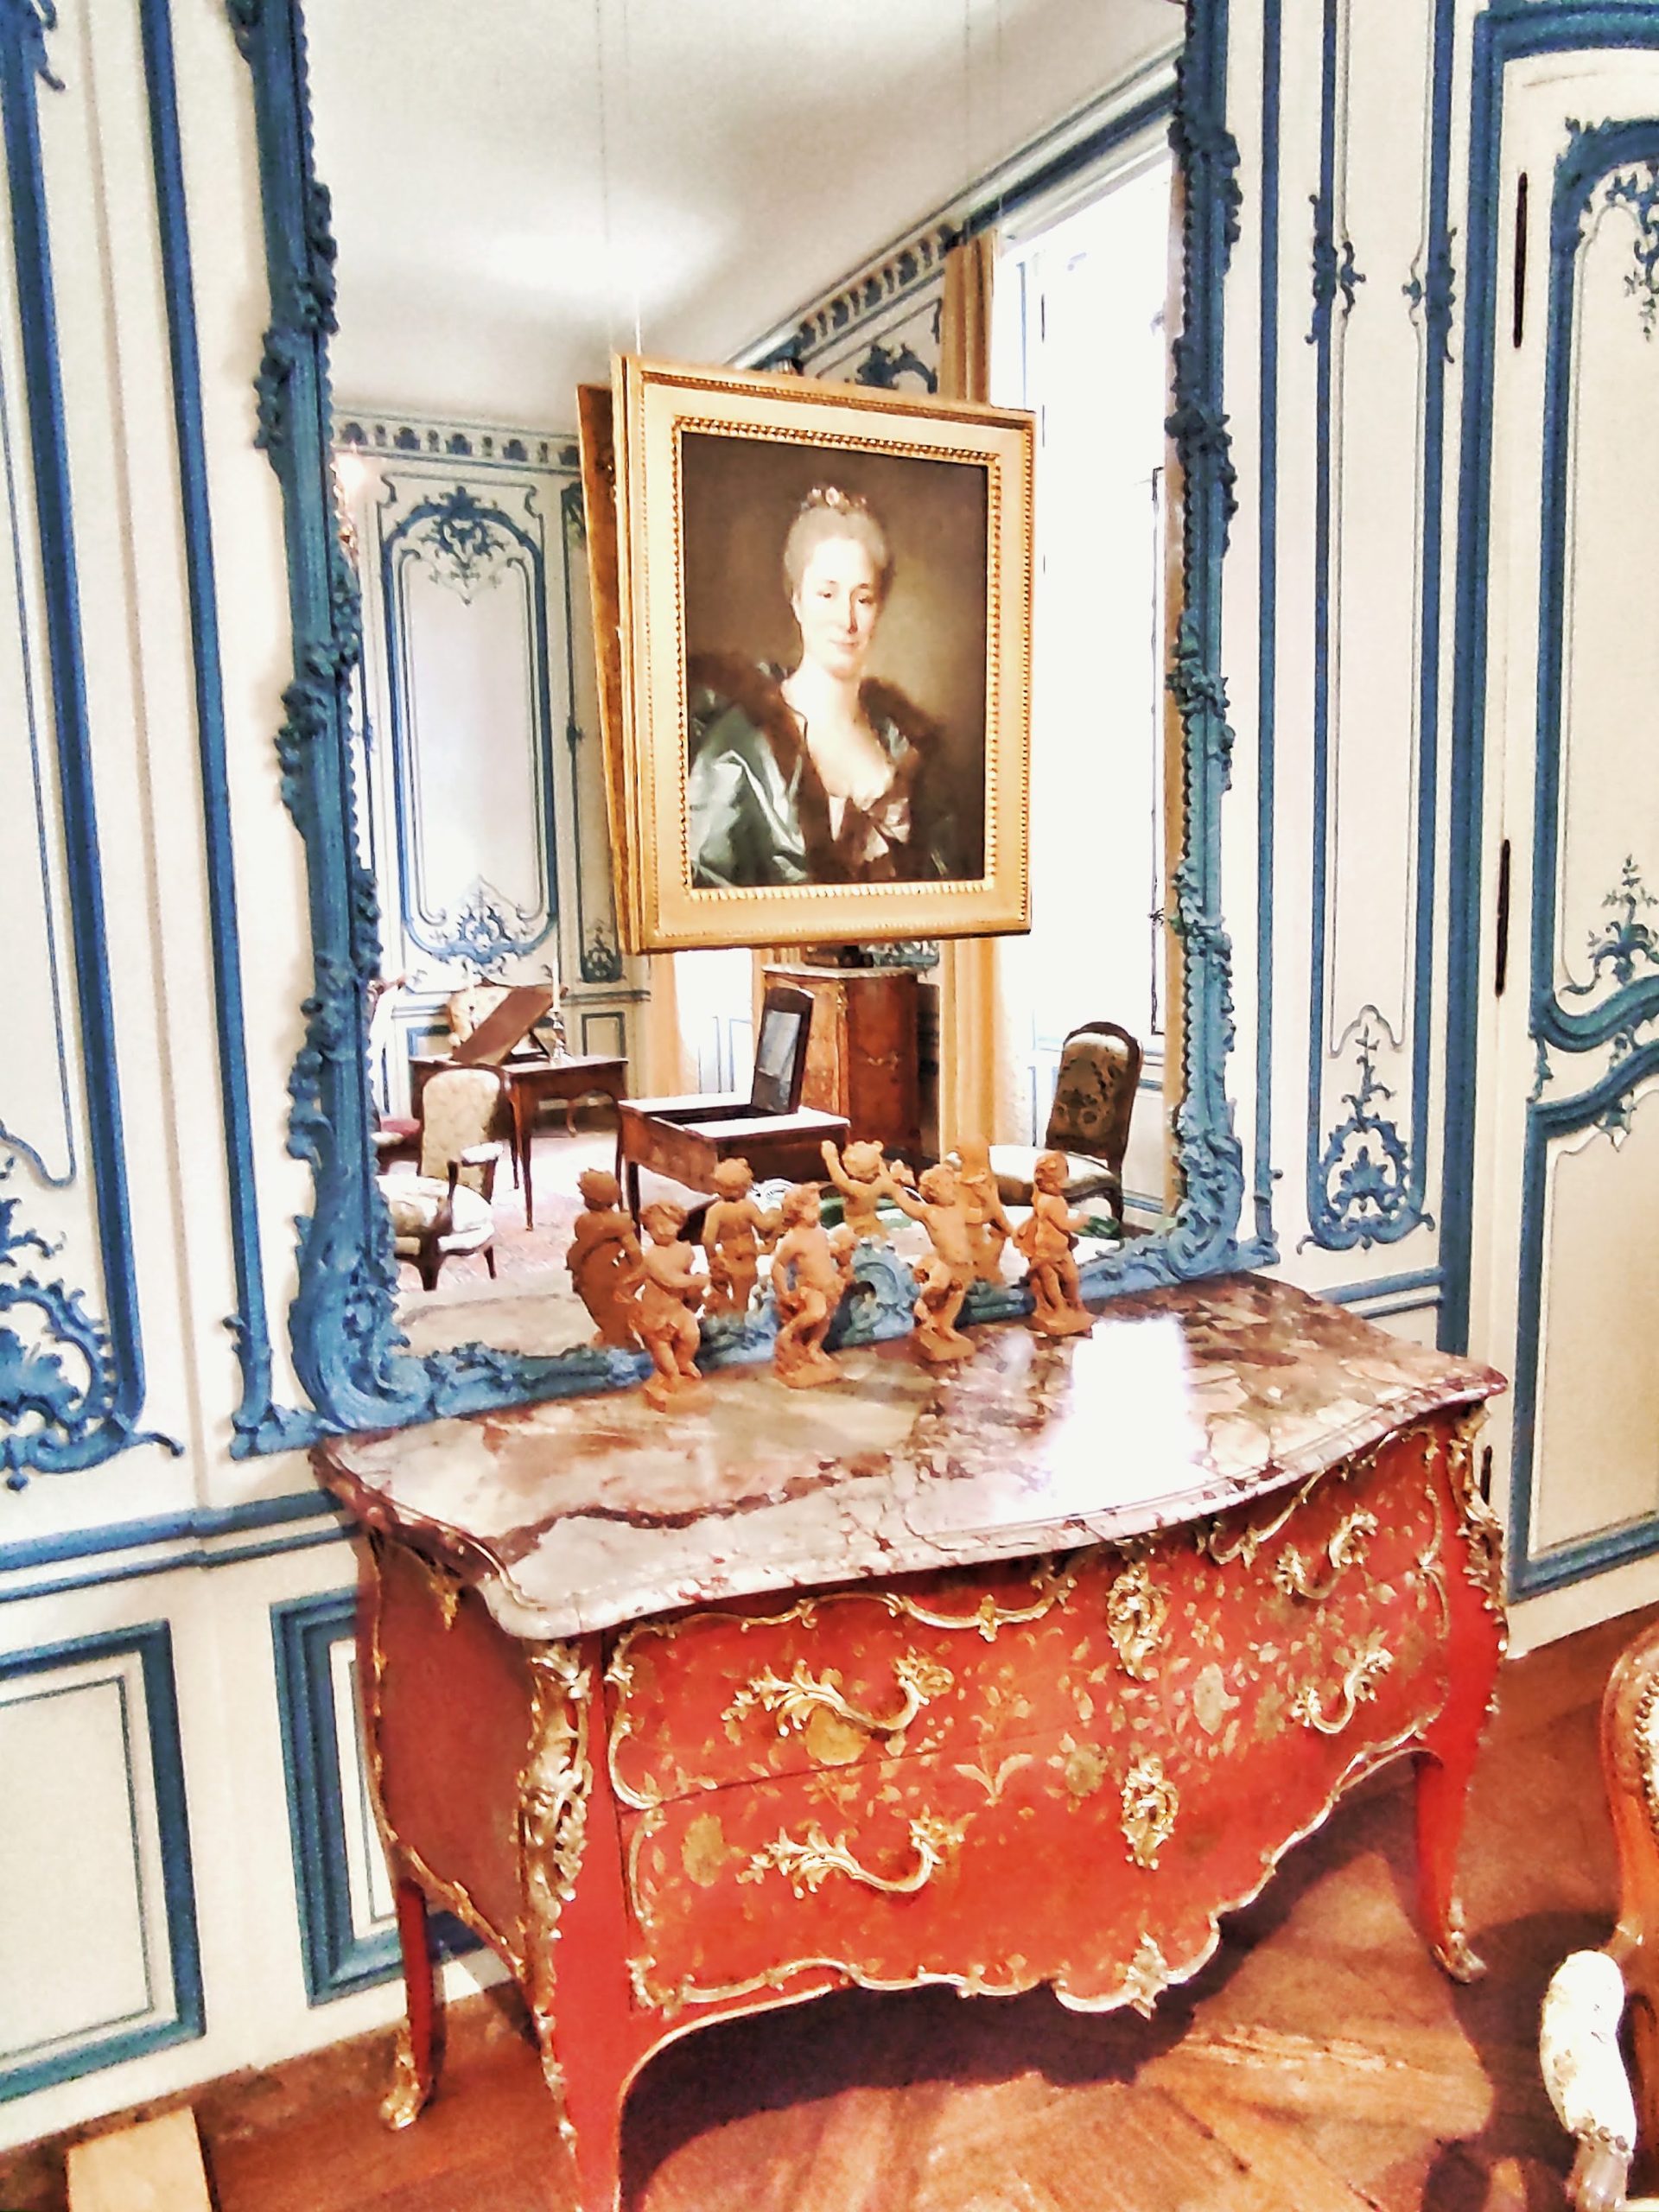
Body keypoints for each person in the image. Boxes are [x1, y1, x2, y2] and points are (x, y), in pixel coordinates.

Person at [686, 486, 977, 887]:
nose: (847, 620)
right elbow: (704, 902)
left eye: (864, 599)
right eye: (827, 594)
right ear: (797, 601)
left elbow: (950, 896)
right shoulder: (738, 751)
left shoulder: (902, 743)